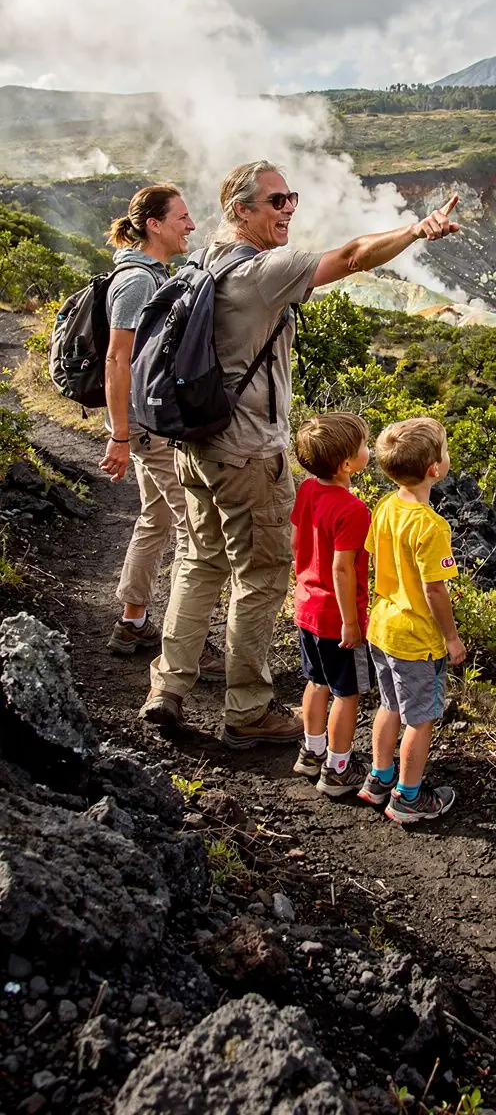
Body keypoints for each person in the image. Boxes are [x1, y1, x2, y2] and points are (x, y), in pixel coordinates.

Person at [138, 160, 459, 746]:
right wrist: (416, 230)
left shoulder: (203, 262)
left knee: (199, 561)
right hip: (248, 455)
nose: (290, 209)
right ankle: (248, 711)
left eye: (293, 198)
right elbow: (355, 255)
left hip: (193, 445)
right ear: (242, 210)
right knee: (259, 576)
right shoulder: (265, 270)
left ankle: (168, 687)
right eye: (277, 201)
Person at [100, 184, 224, 675]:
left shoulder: (149, 274)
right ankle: (188, 644)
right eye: (182, 217)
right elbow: (118, 358)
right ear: (154, 224)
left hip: (143, 427)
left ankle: (133, 621)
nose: (191, 225)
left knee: (155, 519)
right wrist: (120, 434)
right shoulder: (137, 282)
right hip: (148, 429)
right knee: (199, 532)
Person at [358, 416, 466, 824]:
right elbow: (434, 590)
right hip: (415, 637)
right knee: (420, 720)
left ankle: (378, 778)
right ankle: (408, 798)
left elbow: (375, 557)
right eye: (444, 449)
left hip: (382, 627)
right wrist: (451, 638)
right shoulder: (432, 526)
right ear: (434, 469)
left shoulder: (385, 507)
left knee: (389, 705)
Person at [290, 412, 373, 797]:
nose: (367, 450)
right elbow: (343, 569)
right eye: (363, 446)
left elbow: (296, 542)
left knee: (316, 681)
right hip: (336, 619)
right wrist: (351, 622)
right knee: (347, 693)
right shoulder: (354, 511)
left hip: (307, 607)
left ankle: (312, 751)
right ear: (346, 465)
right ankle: (338, 769)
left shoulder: (307, 490)